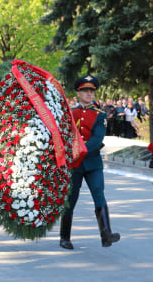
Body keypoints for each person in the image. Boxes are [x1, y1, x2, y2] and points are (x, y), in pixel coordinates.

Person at [59, 75, 120, 250]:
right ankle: (64, 237)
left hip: (92, 162)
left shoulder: (100, 115)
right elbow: (64, 135)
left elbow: (97, 139)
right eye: (85, 90)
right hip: (74, 164)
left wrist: (80, 149)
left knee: (99, 193)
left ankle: (106, 234)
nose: (89, 93)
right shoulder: (70, 113)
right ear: (78, 93)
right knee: (71, 199)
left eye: (91, 91)